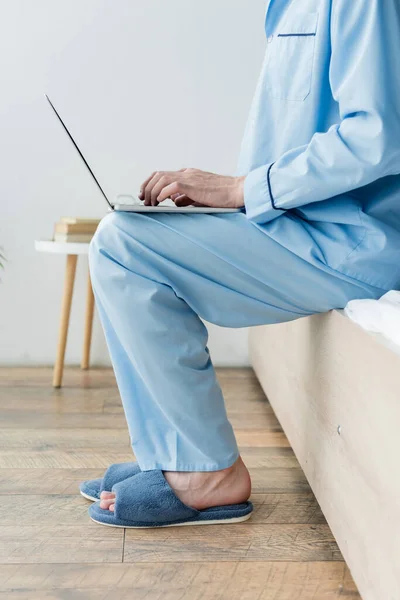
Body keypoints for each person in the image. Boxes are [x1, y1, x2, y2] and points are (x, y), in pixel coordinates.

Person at [81, 0, 400, 528]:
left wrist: (239, 189)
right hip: (295, 221)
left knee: (125, 246)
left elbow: (376, 138)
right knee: (124, 236)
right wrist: (232, 197)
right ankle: (172, 455)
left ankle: (205, 472)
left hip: (351, 238)